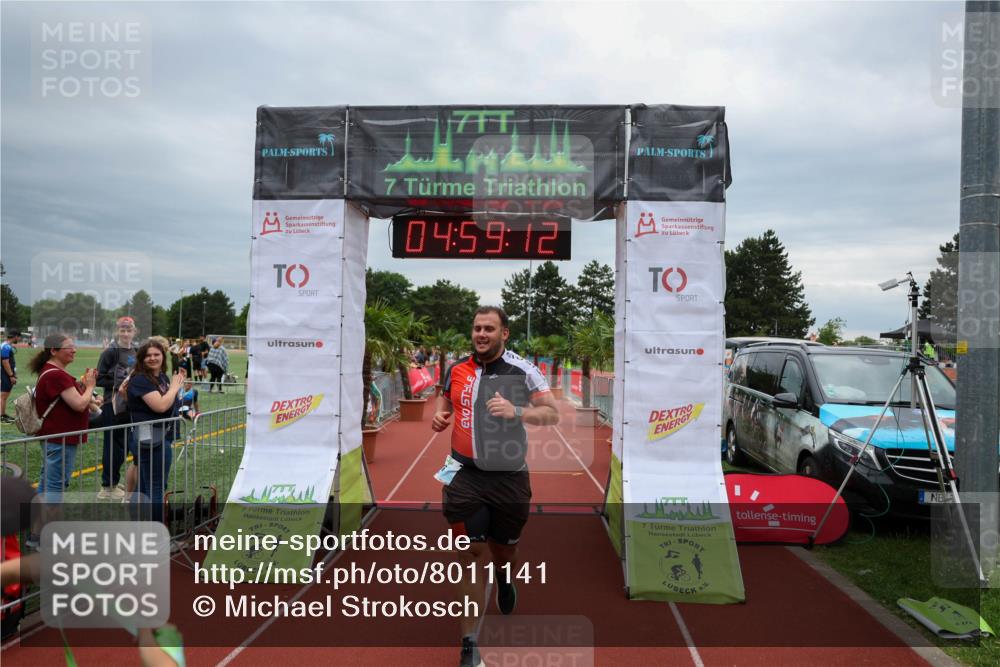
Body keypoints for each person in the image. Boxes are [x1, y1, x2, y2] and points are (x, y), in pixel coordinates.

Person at [430, 306, 559, 667]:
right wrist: (441, 416)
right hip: (464, 476)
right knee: (470, 553)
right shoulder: (456, 368)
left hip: (508, 479)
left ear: (505, 333)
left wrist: (517, 412)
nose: (481, 334)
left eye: (489, 328)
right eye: (476, 328)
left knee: (504, 552)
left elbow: (552, 413)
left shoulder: (524, 371)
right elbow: (445, 398)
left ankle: (504, 576)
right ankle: (469, 645)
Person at [30, 334, 100, 504]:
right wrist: (90, 386)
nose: (74, 350)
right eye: (69, 347)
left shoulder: (52, 371)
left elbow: (70, 400)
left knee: (48, 483)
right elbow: (79, 405)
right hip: (60, 438)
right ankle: (46, 528)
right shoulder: (56, 375)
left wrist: (85, 390)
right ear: (54, 351)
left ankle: (36, 526)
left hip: (56, 437)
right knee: (56, 485)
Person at [126, 340, 184, 523]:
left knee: (144, 487)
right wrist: (175, 387)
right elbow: (160, 406)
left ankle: (137, 528)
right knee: (156, 489)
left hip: (159, 437)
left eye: (156, 354)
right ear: (141, 359)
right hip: (151, 439)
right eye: (148, 355)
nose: (152, 358)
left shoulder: (162, 378)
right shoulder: (141, 379)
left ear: (163, 356)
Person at [96, 316, 139, 500]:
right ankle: (107, 487)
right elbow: (99, 378)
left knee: (123, 447)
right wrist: (120, 382)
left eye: (129, 330)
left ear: (134, 331)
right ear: (117, 331)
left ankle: (113, 481)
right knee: (112, 446)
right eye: (122, 330)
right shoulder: (110, 352)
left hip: (128, 405)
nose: (126, 333)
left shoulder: (136, 351)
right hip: (111, 405)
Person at [1, 331, 19, 423]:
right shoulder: (6, 346)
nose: (19, 339)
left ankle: (3, 414)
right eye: (18, 337)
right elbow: (5, 362)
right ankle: (2, 416)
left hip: (6, 373)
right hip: (5, 373)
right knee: (3, 395)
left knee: (4, 395)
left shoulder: (5, 345)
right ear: (15, 336)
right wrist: (11, 375)